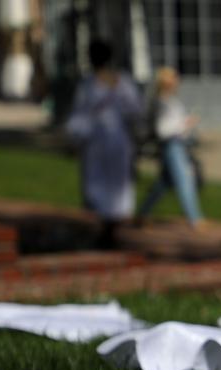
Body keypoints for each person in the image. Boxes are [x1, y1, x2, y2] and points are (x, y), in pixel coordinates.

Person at [65, 40, 142, 243]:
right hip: (113, 140)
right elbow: (134, 110)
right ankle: (109, 227)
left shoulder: (90, 85)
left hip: (102, 140)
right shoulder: (120, 81)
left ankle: (109, 229)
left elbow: (79, 114)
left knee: (106, 183)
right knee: (108, 184)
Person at [136, 67, 206, 228]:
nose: (177, 81)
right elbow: (163, 130)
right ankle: (195, 219)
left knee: (163, 184)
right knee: (184, 181)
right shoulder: (161, 103)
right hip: (171, 145)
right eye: (174, 78)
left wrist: (186, 126)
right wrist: (185, 124)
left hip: (178, 143)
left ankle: (143, 213)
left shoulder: (170, 101)